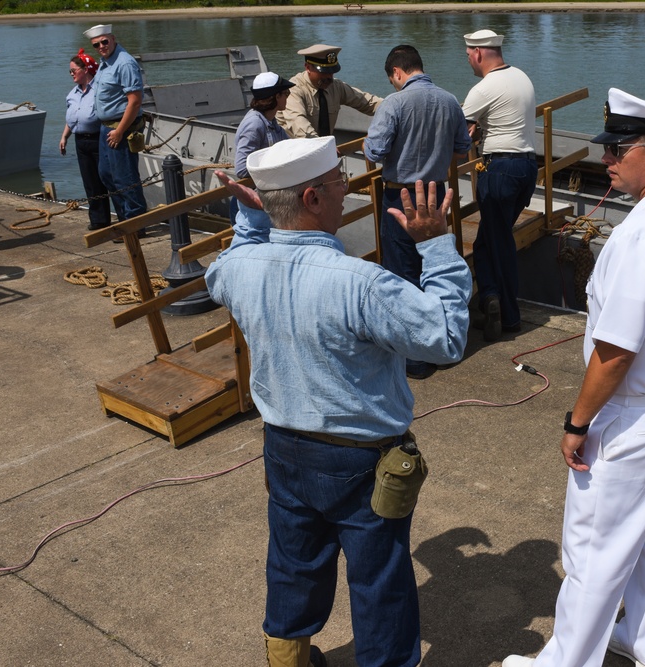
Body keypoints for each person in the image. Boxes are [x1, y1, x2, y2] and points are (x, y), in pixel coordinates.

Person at [205, 137, 471, 667]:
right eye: (336, 183)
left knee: (292, 565)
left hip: (283, 448)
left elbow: (225, 267)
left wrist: (254, 219)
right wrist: (437, 246)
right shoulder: (363, 283)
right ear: (311, 199)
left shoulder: (238, 271)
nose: (346, 188)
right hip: (361, 458)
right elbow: (446, 337)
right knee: (379, 582)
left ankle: (289, 658)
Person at [502, 89, 645, 667]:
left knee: (594, 546)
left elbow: (615, 351)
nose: (606, 159)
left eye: (618, 149)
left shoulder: (644, 233)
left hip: (634, 412)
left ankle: (566, 662)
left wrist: (577, 421)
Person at [364, 44, 472, 379]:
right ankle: (441, 345)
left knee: (401, 274)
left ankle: (414, 359)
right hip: (437, 194)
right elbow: (463, 146)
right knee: (437, 266)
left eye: (392, 79)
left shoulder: (393, 103)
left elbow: (376, 149)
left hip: (401, 196)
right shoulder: (450, 100)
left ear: (396, 72)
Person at [461, 29, 538, 341]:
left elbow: (459, 134)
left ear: (478, 53)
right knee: (489, 239)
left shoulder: (483, 89)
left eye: (468, 55)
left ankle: (509, 316)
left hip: (499, 170)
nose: (468, 61)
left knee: (499, 241)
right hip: (527, 167)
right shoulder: (522, 77)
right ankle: (489, 297)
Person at [84, 24, 148, 226]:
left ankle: (135, 225)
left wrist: (120, 131)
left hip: (121, 128)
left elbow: (135, 101)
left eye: (104, 41)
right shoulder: (105, 62)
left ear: (112, 38)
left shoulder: (124, 63)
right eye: (96, 44)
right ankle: (124, 221)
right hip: (106, 128)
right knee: (107, 175)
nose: (101, 46)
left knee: (125, 178)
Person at [229, 71, 294, 224]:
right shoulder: (255, 124)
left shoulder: (270, 121)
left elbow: (287, 147)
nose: (288, 96)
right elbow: (241, 169)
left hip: (264, 199)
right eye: (286, 93)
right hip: (250, 205)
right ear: (276, 96)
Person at [278, 44, 382, 139]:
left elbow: (367, 102)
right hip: (295, 151)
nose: (329, 77)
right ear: (308, 67)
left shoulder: (335, 87)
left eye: (332, 72)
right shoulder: (294, 90)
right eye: (324, 72)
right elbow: (299, 126)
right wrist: (323, 146)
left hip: (321, 148)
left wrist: (393, 106)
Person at [59, 49, 111, 231]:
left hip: (99, 138)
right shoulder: (72, 94)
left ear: (86, 69)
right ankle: (99, 220)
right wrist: (65, 136)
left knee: (107, 179)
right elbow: (73, 118)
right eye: (70, 71)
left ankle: (122, 217)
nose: (71, 74)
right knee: (90, 181)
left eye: (74, 70)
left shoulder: (98, 90)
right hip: (80, 141)